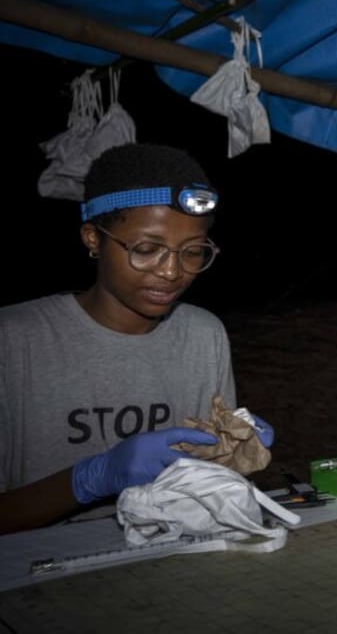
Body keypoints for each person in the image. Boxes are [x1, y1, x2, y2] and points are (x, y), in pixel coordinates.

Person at [0, 142, 273, 534]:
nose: (172, 272)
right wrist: (88, 480)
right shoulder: (15, 342)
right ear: (93, 238)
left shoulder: (201, 334)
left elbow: (205, 484)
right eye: (147, 249)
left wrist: (232, 452)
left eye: (193, 252)